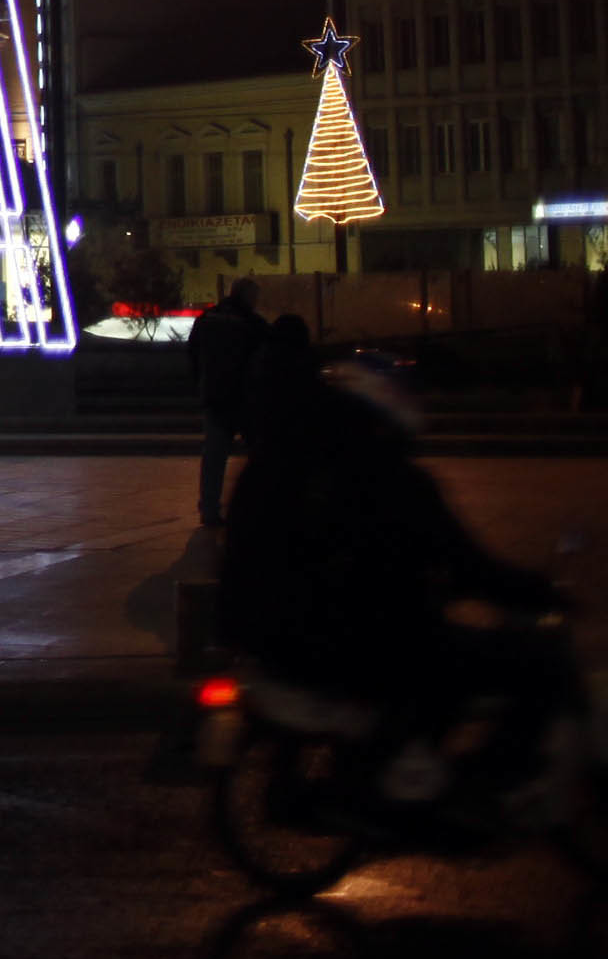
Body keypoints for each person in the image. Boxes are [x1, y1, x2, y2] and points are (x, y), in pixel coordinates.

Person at [217, 319, 577, 808]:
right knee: (504, 661)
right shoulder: (385, 474)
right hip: (348, 637)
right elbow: (462, 560)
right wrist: (535, 589)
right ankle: (478, 788)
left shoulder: (288, 457)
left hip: (280, 633)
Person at [186, 279, 266, 525]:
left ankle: (209, 509)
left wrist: (200, 383)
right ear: (247, 296)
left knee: (214, 457)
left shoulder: (208, 318)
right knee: (259, 454)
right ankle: (257, 507)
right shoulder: (251, 323)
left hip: (215, 395)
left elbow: (193, 352)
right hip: (243, 398)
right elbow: (264, 355)